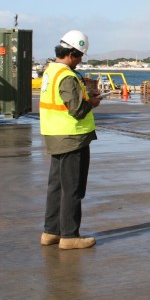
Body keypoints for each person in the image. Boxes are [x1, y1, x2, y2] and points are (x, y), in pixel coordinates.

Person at [40, 30, 103, 250]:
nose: (80, 61)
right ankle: (69, 236)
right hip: (71, 138)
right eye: (80, 56)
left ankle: (51, 232)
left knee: (56, 187)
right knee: (72, 187)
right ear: (72, 54)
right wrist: (92, 102)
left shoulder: (50, 72)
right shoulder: (67, 76)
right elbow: (76, 110)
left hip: (55, 135)